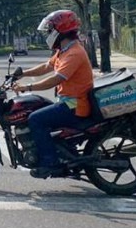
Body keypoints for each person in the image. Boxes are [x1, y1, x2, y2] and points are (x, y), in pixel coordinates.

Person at [13, 10, 94, 179]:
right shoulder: (64, 50)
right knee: (39, 108)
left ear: (60, 31)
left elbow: (56, 79)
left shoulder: (74, 53)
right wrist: (23, 73)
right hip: (69, 102)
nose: (48, 34)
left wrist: (27, 87)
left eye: (50, 30)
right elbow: (47, 66)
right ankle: (60, 150)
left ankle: (50, 163)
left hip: (75, 105)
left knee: (35, 119)